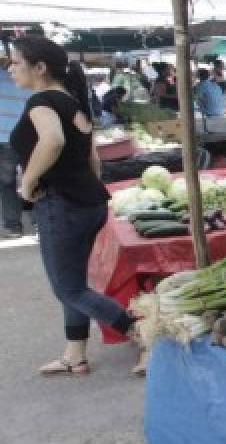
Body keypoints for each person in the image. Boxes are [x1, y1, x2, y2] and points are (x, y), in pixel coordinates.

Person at [8, 37, 137, 375]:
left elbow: (53, 142)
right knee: (75, 282)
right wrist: (89, 191)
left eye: (15, 62)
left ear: (39, 68)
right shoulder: (73, 101)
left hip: (61, 205)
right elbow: (91, 157)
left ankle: (145, 335)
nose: (10, 68)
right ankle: (75, 353)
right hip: (88, 203)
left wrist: (27, 183)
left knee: (68, 287)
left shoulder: (41, 101)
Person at [0, 52, 32, 238]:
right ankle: (39, 223)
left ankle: (13, 226)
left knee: (6, 183)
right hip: (26, 136)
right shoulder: (27, 79)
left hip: (4, 137)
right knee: (35, 178)